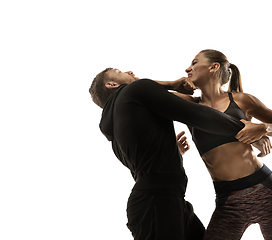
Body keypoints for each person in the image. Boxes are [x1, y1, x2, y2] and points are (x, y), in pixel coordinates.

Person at [88, 68, 261, 240]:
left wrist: (170, 152)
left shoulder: (116, 123)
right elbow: (194, 113)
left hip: (163, 202)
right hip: (157, 204)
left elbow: (143, 164)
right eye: (118, 71)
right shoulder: (134, 91)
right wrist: (244, 131)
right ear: (111, 84)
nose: (129, 71)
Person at [175, 49, 272, 240]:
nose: (187, 68)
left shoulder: (241, 100)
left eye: (194, 62)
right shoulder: (190, 106)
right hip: (227, 199)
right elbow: (147, 92)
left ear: (213, 67)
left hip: (266, 191)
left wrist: (264, 128)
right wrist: (173, 84)